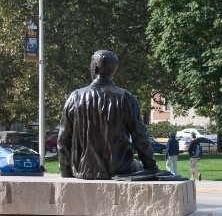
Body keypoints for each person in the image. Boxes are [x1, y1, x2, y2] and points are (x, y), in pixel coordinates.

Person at [57, 49, 157, 179]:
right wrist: (151, 166)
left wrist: (66, 172)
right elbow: (140, 136)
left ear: (95, 67)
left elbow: (63, 139)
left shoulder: (75, 97)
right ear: (113, 70)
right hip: (120, 169)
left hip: (83, 170)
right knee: (138, 166)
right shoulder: (125, 97)